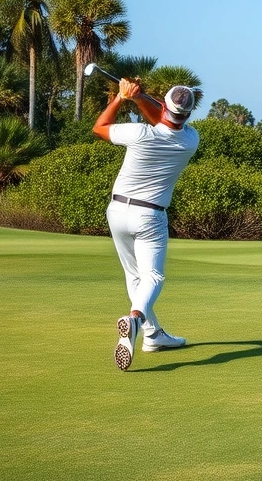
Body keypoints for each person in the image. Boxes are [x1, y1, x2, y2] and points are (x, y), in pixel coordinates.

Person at [93, 77, 200, 371]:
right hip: (150, 216)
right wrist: (140, 99)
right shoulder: (191, 140)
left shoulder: (139, 133)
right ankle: (136, 320)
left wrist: (121, 98)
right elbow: (168, 122)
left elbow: (99, 128)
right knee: (153, 276)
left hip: (117, 211)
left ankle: (153, 335)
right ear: (188, 114)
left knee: (134, 276)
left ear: (163, 105)